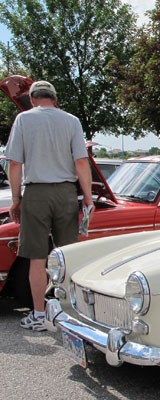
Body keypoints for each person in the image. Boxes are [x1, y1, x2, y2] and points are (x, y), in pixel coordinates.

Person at [5, 80, 94, 332]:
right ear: (54, 99)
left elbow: (14, 164)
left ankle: (39, 315)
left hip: (35, 193)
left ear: (32, 99)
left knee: (37, 257)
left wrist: (15, 199)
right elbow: (81, 162)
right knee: (67, 256)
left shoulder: (24, 120)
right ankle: (68, 314)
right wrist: (87, 197)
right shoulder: (71, 121)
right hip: (66, 193)